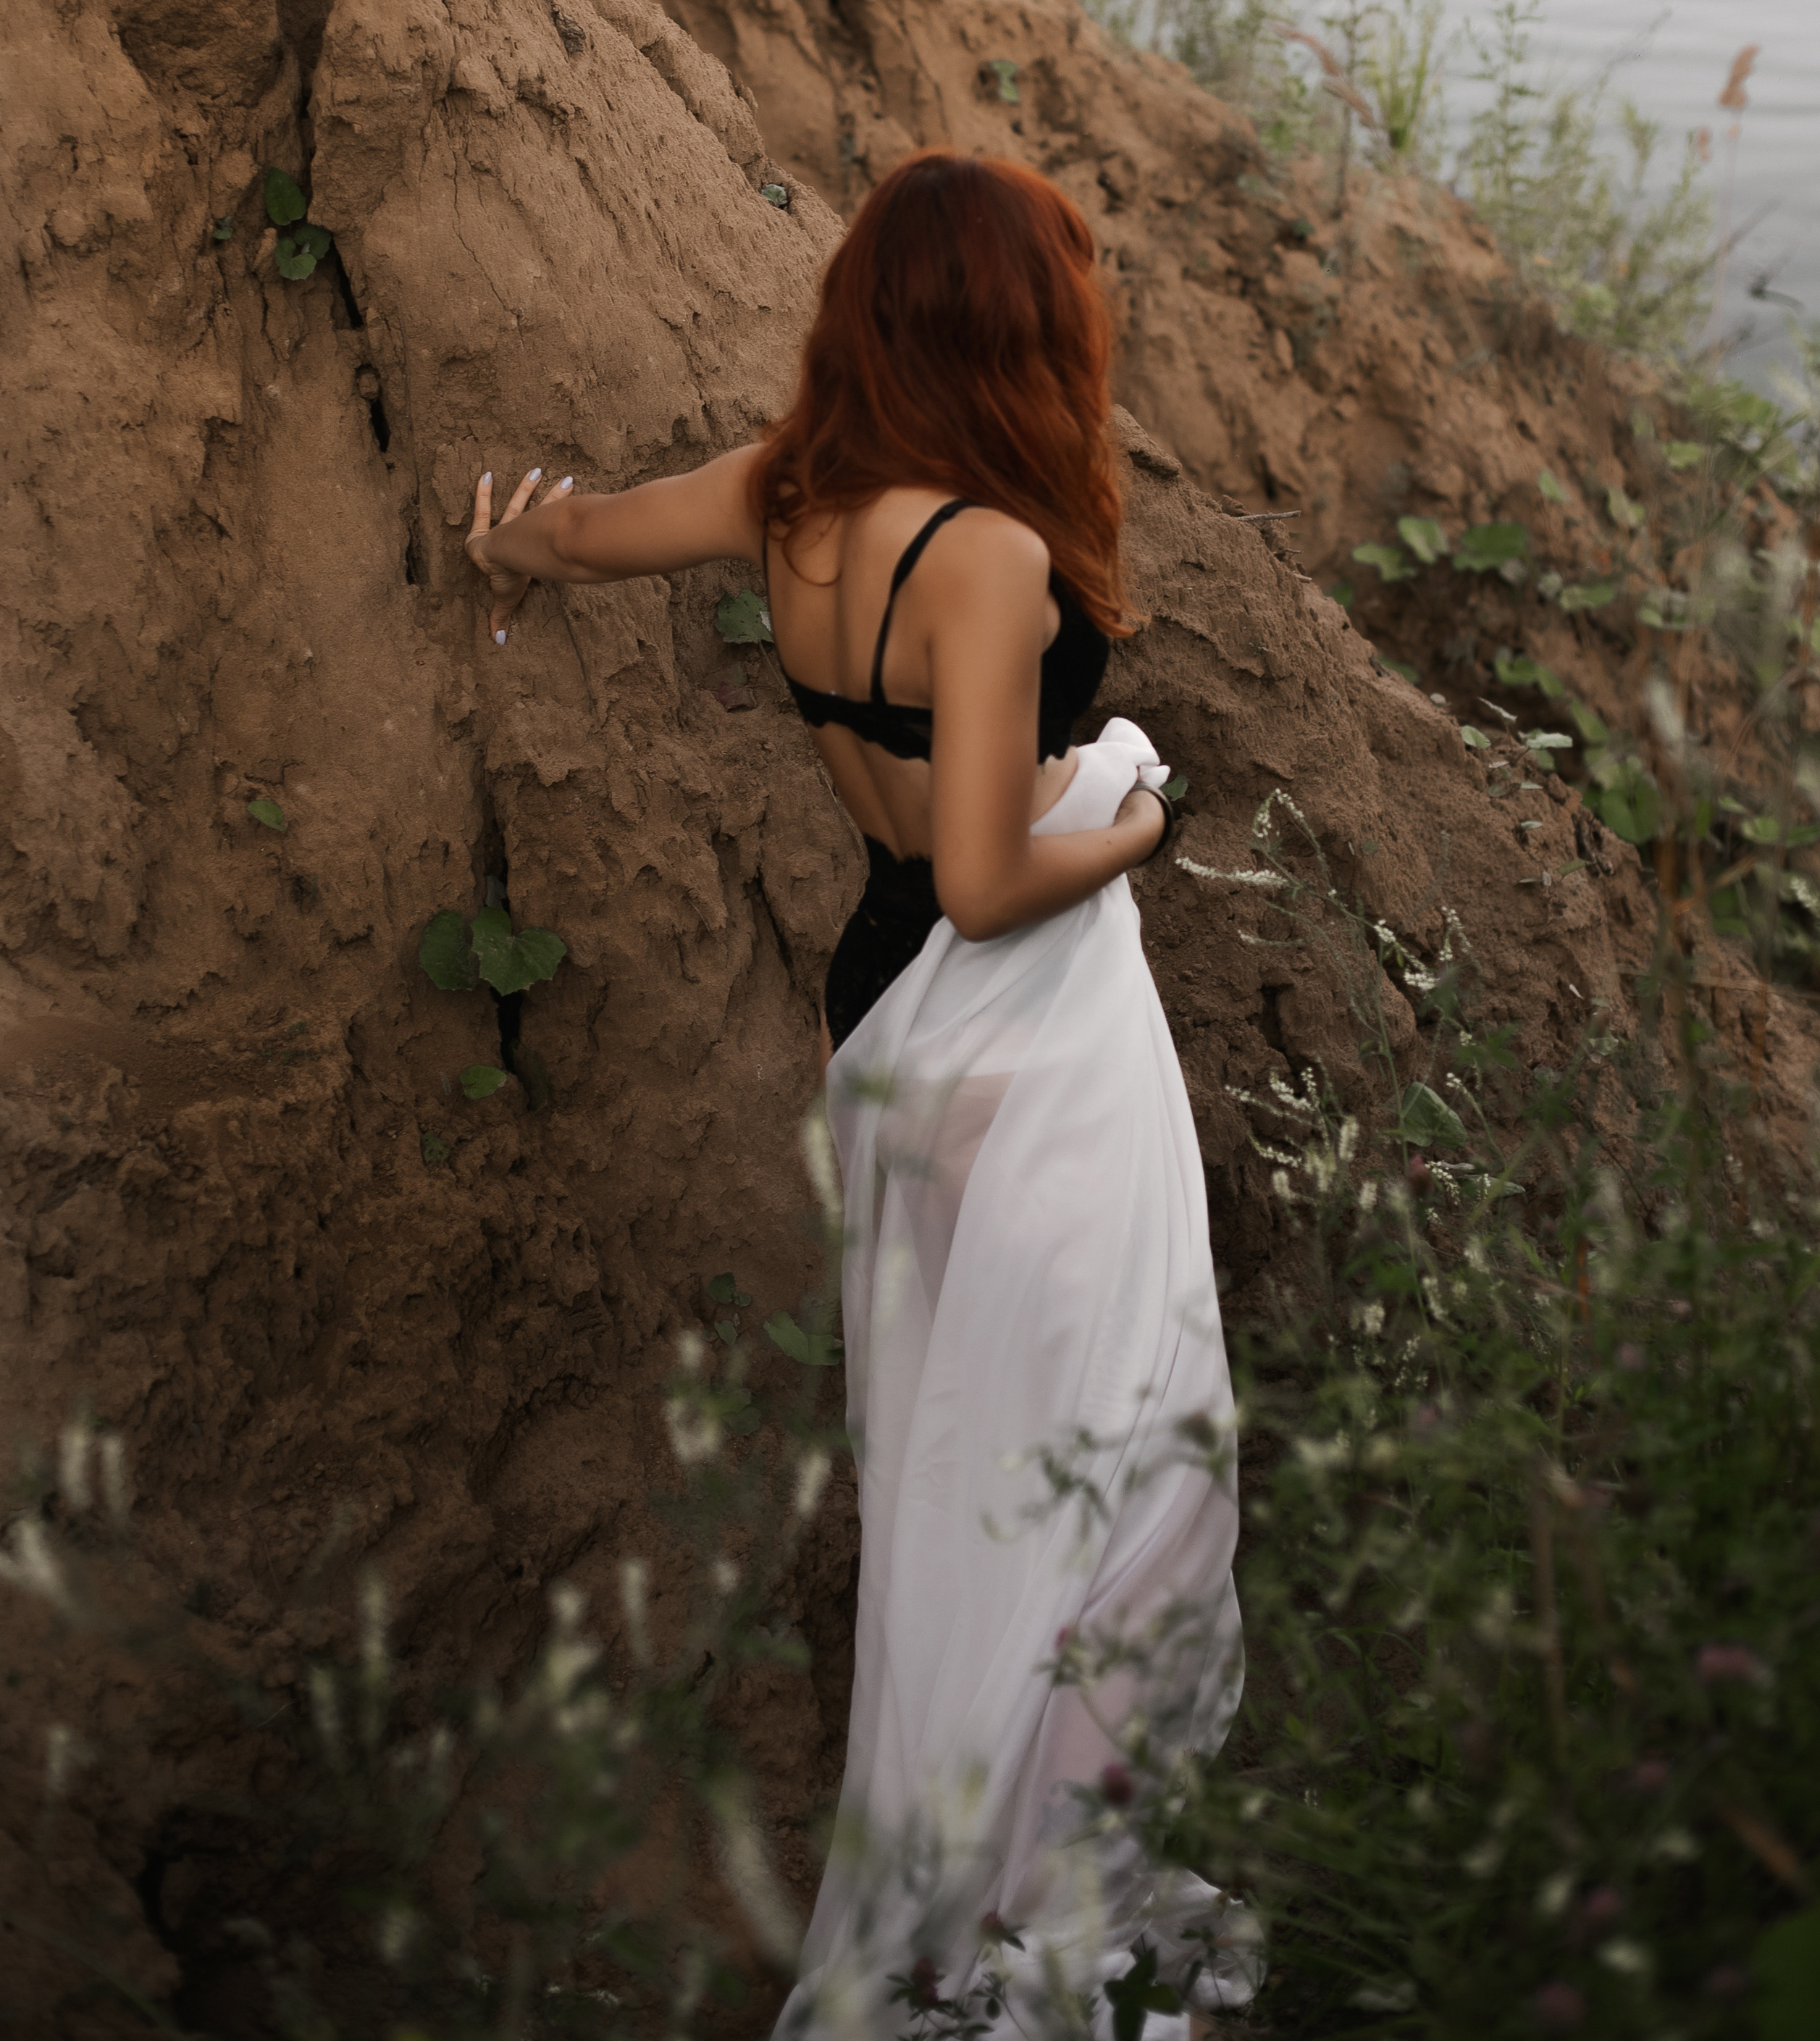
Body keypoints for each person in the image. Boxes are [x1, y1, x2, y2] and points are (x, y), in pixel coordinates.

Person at [467, 151, 1247, 2036]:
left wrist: (513, 535)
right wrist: (1142, 820)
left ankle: (959, 1891)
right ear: (1011, 327)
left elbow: (579, 538)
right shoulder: (980, 555)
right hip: (1016, 1031)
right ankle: (1049, 1939)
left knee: (952, 1472)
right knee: (1115, 1456)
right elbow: (989, 875)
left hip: (878, 1019)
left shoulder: (787, 494)